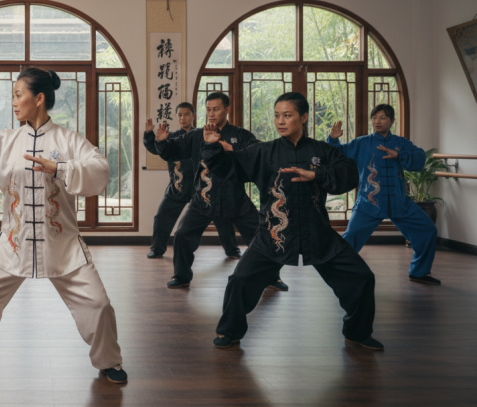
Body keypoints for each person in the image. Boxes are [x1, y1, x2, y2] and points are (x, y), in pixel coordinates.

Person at [0, 68, 127, 384]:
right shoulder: (6, 141)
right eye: (13, 95)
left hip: (61, 246)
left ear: (39, 98)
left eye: (18, 94)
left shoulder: (68, 140)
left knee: (100, 305)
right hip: (13, 244)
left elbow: (99, 171)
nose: (14, 102)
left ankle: (109, 361)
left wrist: (61, 168)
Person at [203, 92, 382, 351]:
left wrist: (317, 174)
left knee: (362, 277)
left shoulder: (322, 150)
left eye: (287, 115)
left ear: (304, 117)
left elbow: (350, 172)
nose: (280, 121)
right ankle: (229, 331)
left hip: (317, 233)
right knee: (240, 280)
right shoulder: (263, 151)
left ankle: (357, 331)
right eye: (277, 116)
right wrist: (211, 147)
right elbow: (229, 166)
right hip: (274, 234)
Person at [155, 92, 287, 291]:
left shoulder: (240, 135)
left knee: (261, 235)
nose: (211, 113)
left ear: (227, 110)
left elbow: (258, 152)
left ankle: (272, 276)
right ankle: (181, 276)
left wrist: (232, 148)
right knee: (182, 235)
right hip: (203, 198)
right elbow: (172, 151)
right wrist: (162, 142)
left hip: (235, 197)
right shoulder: (196, 135)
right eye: (208, 109)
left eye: (216, 109)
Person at [327, 105, 440, 285]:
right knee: (351, 237)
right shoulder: (362, 142)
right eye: (374, 118)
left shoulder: (401, 143)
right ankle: (337, 271)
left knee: (428, 230)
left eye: (383, 118)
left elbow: (419, 158)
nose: (377, 121)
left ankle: (419, 272)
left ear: (392, 121)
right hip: (369, 202)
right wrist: (333, 140)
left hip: (399, 202)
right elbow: (337, 155)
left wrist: (399, 155)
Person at [142, 102, 241, 259]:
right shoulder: (172, 137)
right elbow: (156, 149)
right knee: (162, 216)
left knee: (222, 215)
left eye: (186, 114)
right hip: (178, 186)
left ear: (193, 116)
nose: (183, 118)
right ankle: (157, 249)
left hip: (201, 188)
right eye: (180, 115)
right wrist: (149, 134)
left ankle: (232, 250)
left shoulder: (202, 136)